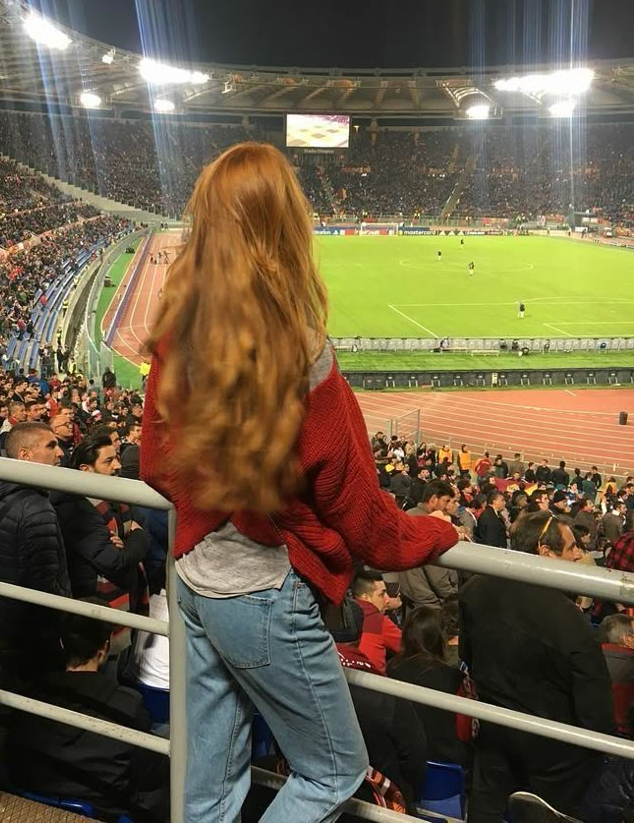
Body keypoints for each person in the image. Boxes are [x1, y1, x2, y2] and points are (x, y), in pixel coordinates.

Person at [139, 142, 459, 821]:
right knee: (333, 770)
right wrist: (436, 532)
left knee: (209, 783)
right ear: (284, 222)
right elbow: (361, 511)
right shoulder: (301, 350)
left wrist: (216, 514)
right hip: (260, 595)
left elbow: (155, 463)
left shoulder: (177, 327)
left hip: (194, 577)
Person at [460, 513, 615, 821]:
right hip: (554, 758)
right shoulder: (571, 623)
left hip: (494, 732)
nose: (578, 554)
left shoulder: (476, 587)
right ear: (545, 552)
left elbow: (468, 656)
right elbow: (597, 715)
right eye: (570, 547)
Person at [7, 610, 165, 821]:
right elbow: (150, 775)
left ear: (62, 644)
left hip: (40, 804)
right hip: (109, 812)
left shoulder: (28, 699)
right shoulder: (127, 704)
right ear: (105, 648)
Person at [0, 422, 70, 678]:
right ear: (25, 455)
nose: (61, 453)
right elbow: (43, 583)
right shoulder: (37, 507)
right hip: (28, 630)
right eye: (51, 446)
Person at [53, 434, 150, 663]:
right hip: (94, 611)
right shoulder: (74, 507)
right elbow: (114, 561)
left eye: (116, 458)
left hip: (122, 600)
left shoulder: (115, 498)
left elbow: (140, 527)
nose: (118, 466)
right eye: (108, 461)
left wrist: (131, 540)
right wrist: (136, 536)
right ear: (86, 469)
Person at [331, 599, 427, 813]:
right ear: (361, 634)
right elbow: (415, 758)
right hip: (376, 803)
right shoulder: (385, 691)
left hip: (315, 794)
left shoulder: (299, 677)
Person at [388, 606, 473, 767]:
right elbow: (465, 732)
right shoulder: (454, 677)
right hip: (447, 764)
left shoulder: (391, 669)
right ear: (439, 637)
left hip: (404, 759)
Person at [400, 481, 458, 610]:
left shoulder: (410, 514)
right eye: (445, 501)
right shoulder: (430, 524)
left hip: (412, 593)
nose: (447, 506)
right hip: (428, 598)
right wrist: (452, 596)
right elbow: (437, 573)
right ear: (433, 499)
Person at [352, 568, 401, 673]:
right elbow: (408, 646)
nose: (387, 600)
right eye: (381, 594)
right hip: (374, 680)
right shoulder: (378, 621)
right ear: (365, 597)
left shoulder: (343, 614)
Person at [599, 614, 634, 738]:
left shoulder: (589, 657)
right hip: (624, 737)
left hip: (588, 730)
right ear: (628, 640)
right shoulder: (630, 664)